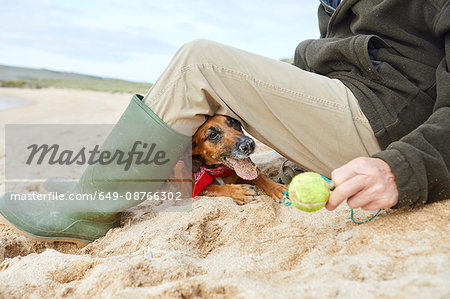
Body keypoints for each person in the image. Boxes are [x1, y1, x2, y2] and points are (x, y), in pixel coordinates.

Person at [1, 0, 448, 244]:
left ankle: (89, 206)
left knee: (200, 60)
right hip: (355, 111)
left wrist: (403, 166)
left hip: (387, 127)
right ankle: (99, 185)